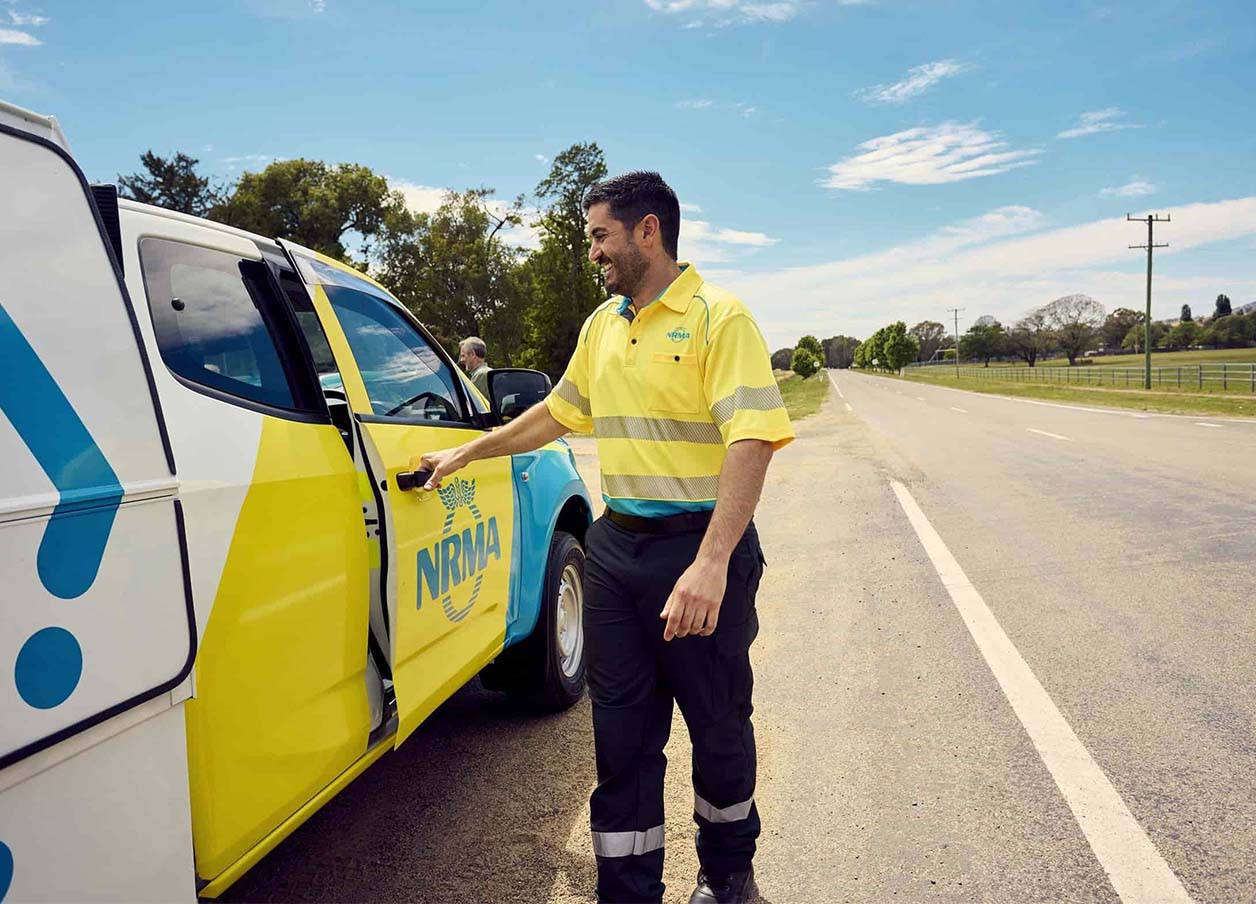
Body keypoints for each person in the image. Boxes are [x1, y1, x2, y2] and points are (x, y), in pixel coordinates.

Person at [413, 172, 793, 904]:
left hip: (699, 552)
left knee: (717, 730)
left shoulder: (720, 318)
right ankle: (626, 890)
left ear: (647, 230)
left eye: (599, 236)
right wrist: (468, 452)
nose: (592, 251)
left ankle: (727, 878)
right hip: (619, 553)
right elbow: (557, 413)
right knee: (621, 744)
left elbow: (752, 439)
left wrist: (712, 563)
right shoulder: (603, 325)